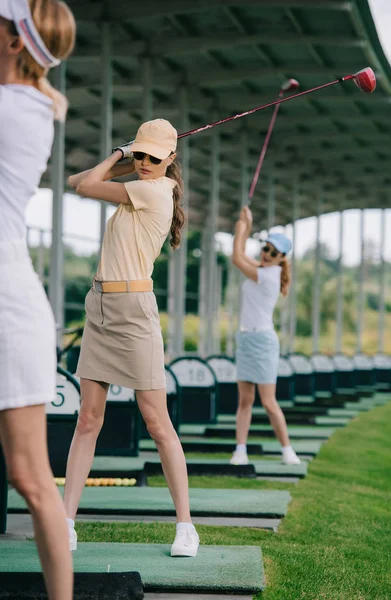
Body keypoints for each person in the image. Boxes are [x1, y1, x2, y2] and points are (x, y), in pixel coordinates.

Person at [65, 118, 200, 557]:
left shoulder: (157, 190)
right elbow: (74, 180)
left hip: (135, 315)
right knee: (88, 419)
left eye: (153, 158)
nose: (145, 163)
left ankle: (186, 528)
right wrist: (133, 160)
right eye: (141, 154)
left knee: (157, 422)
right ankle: (65, 523)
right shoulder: (143, 184)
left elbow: (84, 186)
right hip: (100, 308)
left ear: (171, 161)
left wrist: (120, 156)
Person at [0, 1, 76, 598]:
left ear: (13, 43)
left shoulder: (15, 110)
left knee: (30, 477)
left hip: (7, 307)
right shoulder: (28, 102)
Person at [230, 206, 301, 466]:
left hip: (263, 342)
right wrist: (246, 226)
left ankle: (287, 450)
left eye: (273, 252)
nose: (267, 254)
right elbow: (243, 257)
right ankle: (240, 450)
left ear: (282, 258)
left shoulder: (269, 275)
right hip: (246, 339)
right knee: (245, 400)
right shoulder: (262, 267)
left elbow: (237, 258)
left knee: (268, 401)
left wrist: (239, 232)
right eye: (265, 248)